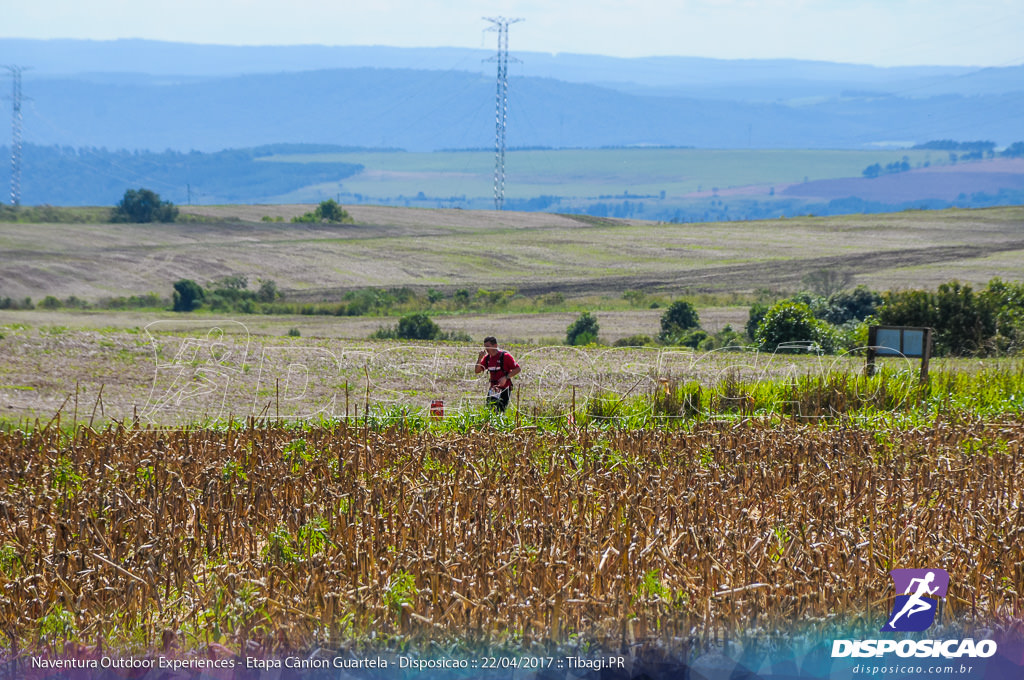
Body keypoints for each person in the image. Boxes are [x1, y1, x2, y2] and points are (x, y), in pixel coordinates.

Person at [475, 336, 521, 412]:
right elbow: (477, 371)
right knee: (489, 411)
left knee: (500, 412)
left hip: (504, 389)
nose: (486, 349)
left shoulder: (505, 356)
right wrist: (479, 358)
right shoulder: (487, 358)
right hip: (493, 389)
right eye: (485, 347)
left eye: (488, 346)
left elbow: (517, 369)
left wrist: (506, 377)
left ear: (495, 346)